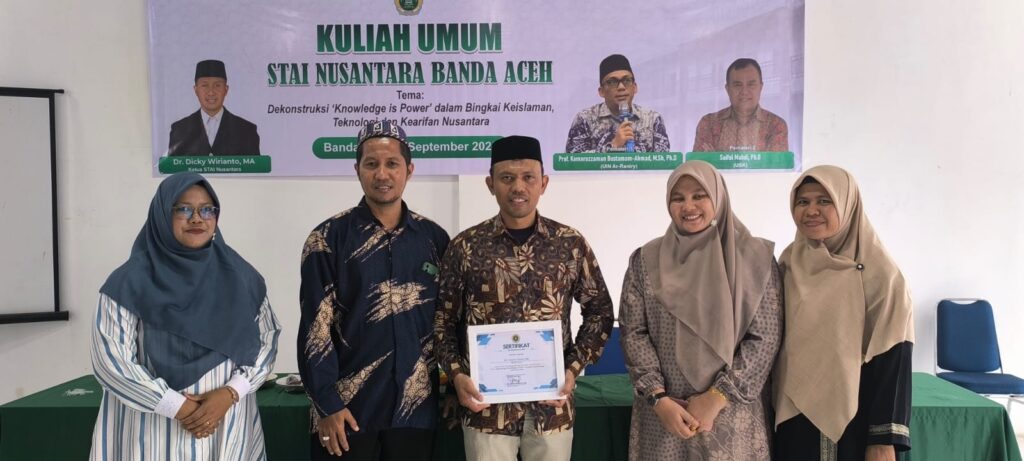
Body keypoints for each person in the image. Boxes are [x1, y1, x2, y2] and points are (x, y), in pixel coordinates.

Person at [434, 135, 615, 461]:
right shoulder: (465, 247)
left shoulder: (569, 244)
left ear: (543, 183)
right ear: (490, 184)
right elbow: (442, 322)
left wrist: (572, 369)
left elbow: (600, 311)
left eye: (528, 177)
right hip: (486, 411)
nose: (518, 187)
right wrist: (457, 375)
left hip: (551, 410)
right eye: (507, 178)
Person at [89, 172, 281, 460]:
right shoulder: (129, 282)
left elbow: (266, 340)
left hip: (226, 424)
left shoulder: (242, 278)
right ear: (162, 215)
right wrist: (178, 407)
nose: (197, 219)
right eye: (183, 209)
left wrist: (230, 393)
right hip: (151, 431)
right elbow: (112, 363)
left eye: (207, 209)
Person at [297, 120, 450, 460]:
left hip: (414, 410)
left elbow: (446, 320)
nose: (382, 174)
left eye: (392, 163)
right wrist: (327, 404)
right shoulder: (327, 239)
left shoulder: (434, 240)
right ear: (357, 170)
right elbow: (315, 329)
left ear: (409, 170)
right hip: (347, 413)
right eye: (371, 164)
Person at [619, 160, 782, 460]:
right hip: (665, 417)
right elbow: (633, 333)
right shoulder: (645, 260)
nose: (688, 206)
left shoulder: (753, 258)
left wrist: (717, 397)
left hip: (731, 417)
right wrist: (658, 398)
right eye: (678, 198)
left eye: (699, 195)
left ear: (718, 198)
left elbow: (765, 338)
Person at [774, 165, 913, 461]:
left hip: (854, 417)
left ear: (847, 204)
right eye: (803, 201)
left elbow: (894, 358)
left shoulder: (882, 275)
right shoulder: (789, 262)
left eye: (824, 201)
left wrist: (883, 440)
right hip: (791, 413)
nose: (811, 210)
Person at [565, 54, 670, 153]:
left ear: (635, 87)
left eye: (626, 80)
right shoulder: (584, 119)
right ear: (601, 91)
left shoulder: (653, 119)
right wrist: (613, 147)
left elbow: (664, 162)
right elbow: (571, 161)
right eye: (612, 82)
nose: (621, 87)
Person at [692, 58, 788, 152]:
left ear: (760, 87)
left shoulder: (775, 125)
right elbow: (700, 162)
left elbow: (775, 163)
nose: (744, 92)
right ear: (728, 89)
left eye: (751, 84)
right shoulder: (708, 123)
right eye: (738, 85)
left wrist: (716, 158)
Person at [168, 59, 261, 156]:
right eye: (204, 85)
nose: (211, 92)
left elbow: (255, 165)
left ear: (226, 89)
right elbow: (173, 165)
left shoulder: (247, 130)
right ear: (195, 90)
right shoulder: (179, 130)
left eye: (217, 85)